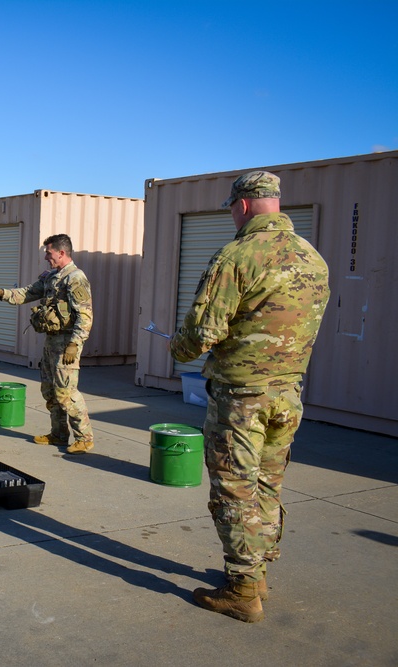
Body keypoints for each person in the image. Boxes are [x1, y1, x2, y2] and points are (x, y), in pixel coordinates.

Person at [169, 170, 330, 623]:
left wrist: (175, 347)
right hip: (288, 393)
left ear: (241, 206)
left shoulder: (238, 255)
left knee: (235, 487)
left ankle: (242, 588)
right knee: (267, 483)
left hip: (242, 397)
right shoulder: (312, 257)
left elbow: (203, 330)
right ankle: (257, 571)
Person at [0, 234, 94, 454]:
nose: (45, 257)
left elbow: (85, 316)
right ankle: (59, 434)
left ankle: (84, 438)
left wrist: (75, 344)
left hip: (67, 344)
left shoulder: (75, 278)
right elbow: (28, 293)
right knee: (50, 391)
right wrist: (2, 293)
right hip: (51, 342)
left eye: (48, 253)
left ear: (61, 253)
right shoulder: (52, 276)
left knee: (67, 393)